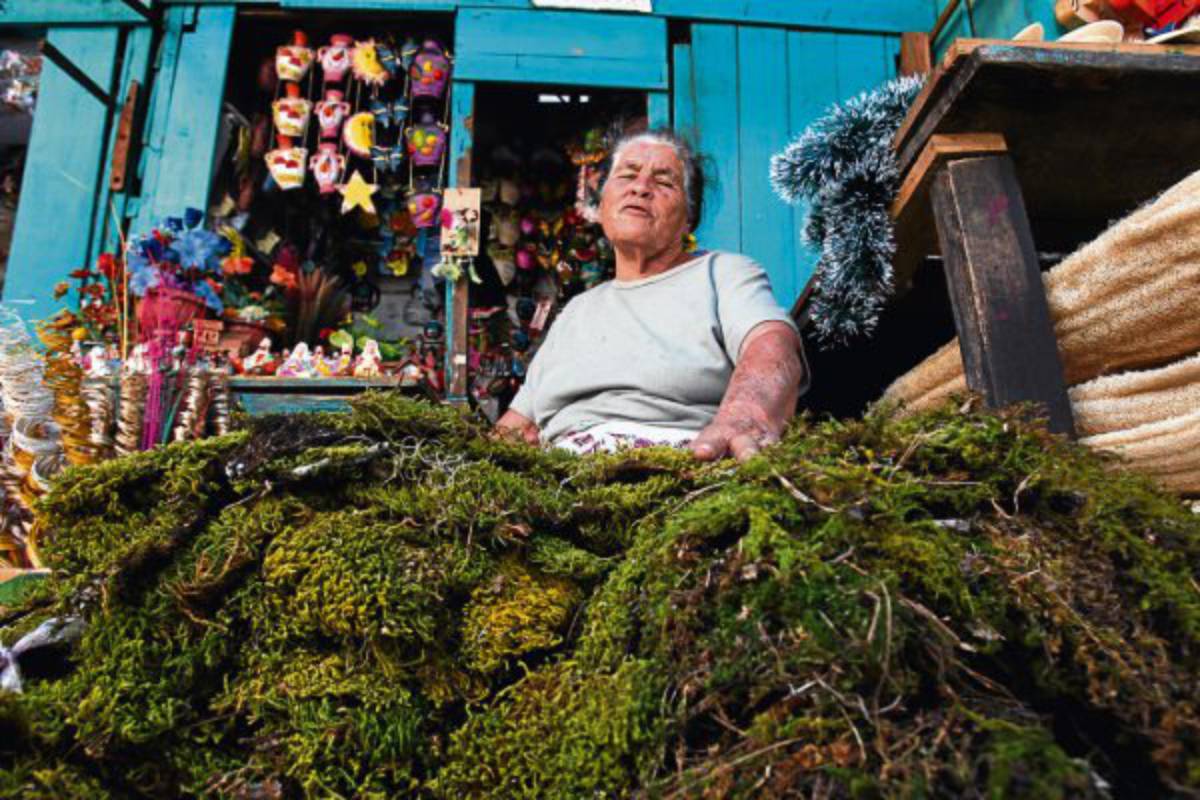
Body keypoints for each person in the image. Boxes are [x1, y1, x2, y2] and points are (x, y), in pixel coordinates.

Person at [495, 129, 809, 462]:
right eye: (627, 175)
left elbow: (771, 345)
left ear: (689, 217)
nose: (640, 187)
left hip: (679, 466)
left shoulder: (723, 274)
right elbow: (515, 427)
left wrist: (745, 416)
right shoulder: (576, 310)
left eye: (663, 182)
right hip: (563, 473)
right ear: (602, 204)